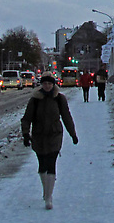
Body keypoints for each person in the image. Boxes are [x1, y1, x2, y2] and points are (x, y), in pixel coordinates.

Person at [20, 72, 78, 209]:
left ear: (53, 84)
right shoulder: (35, 99)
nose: (47, 86)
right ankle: (45, 190)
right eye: (45, 83)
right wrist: (25, 134)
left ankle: (48, 197)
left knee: (51, 163)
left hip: (54, 135)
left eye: (49, 84)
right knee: (42, 165)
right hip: (39, 136)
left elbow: (66, 117)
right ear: (42, 85)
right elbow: (27, 118)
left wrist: (73, 134)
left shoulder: (59, 99)